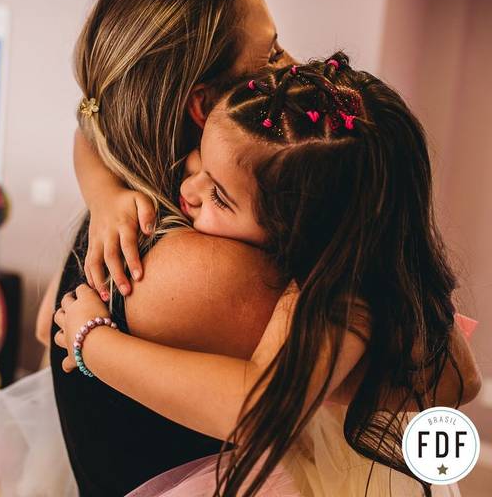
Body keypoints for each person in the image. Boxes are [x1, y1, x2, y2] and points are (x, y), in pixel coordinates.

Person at [54, 53, 481, 496]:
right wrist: (103, 194)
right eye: (199, 164)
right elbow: (89, 128)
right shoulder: (276, 151)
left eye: (219, 197)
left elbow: (257, 412)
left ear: (298, 232)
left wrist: (94, 343)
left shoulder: (338, 295)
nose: (188, 188)